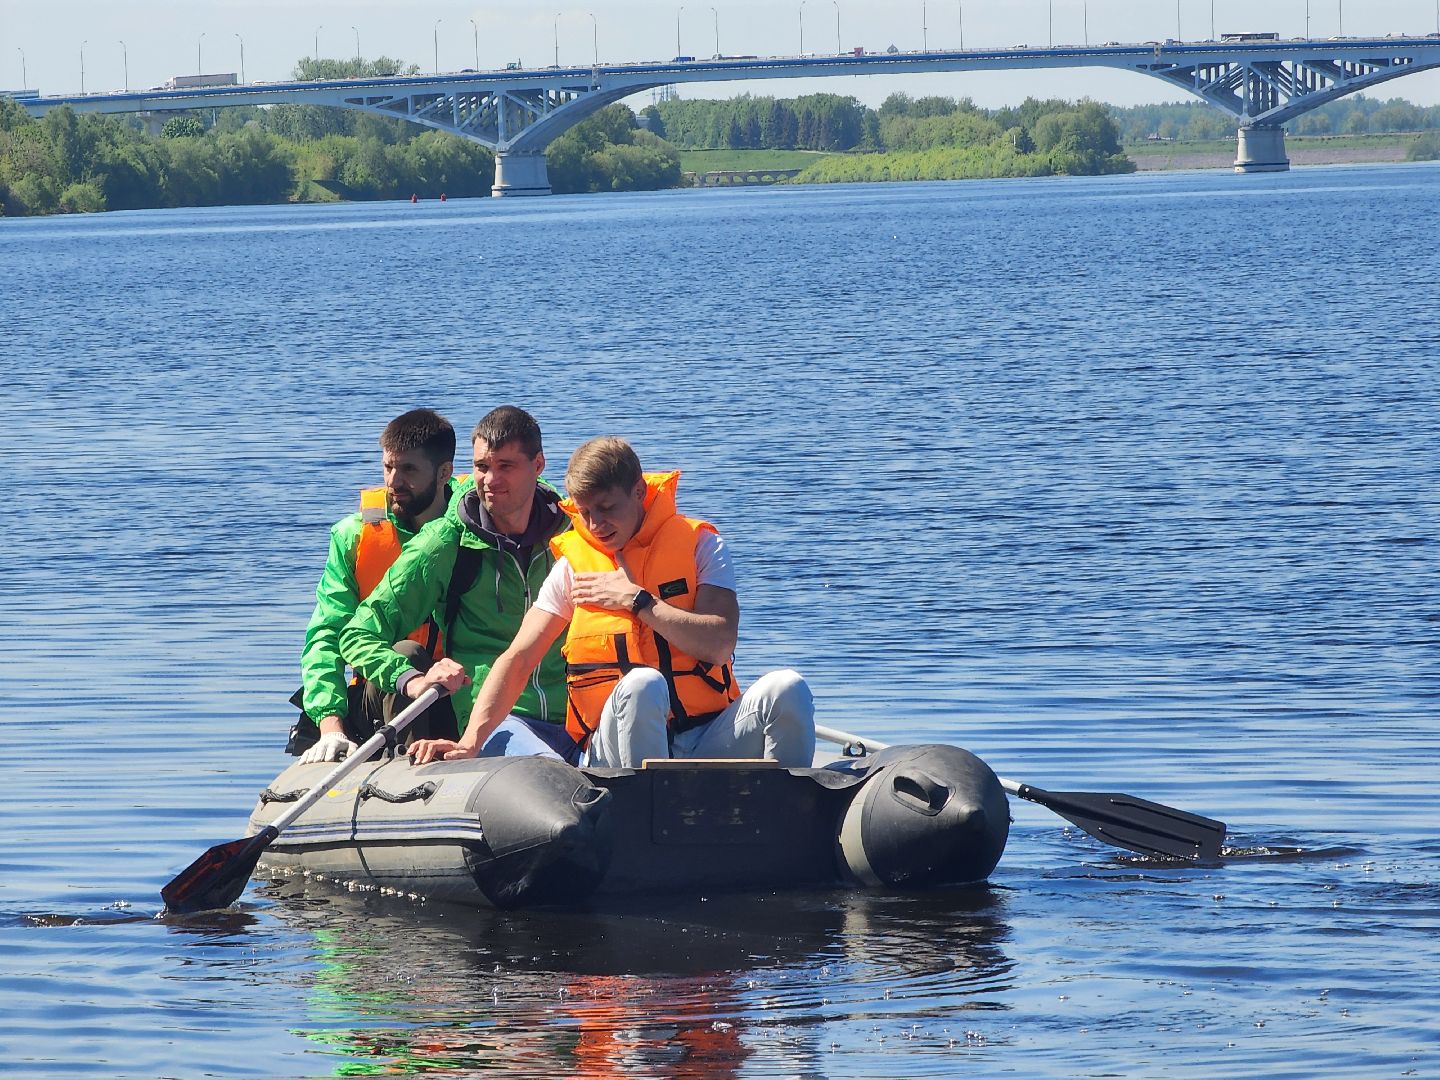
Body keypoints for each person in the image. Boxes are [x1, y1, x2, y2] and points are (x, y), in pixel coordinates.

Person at [409, 436, 815, 769]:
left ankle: (787, 818)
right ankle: (644, 821)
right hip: (613, 751)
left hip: (708, 734)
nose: (595, 525)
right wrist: (470, 741)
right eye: (584, 512)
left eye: (607, 509)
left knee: (788, 687)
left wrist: (639, 601)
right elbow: (518, 660)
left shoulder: (700, 544)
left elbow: (720, 643)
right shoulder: (574, 569)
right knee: (642, 683)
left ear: (639, 492)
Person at [338, 405, 573, 760]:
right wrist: (412, 680)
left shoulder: (577, 534)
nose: (490, 481)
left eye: (505, 467)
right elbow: (358, 634)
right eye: (482, 467)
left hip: (581, 715)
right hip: (496, 722)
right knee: (553, 776)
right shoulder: (447, 543)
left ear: (538, 466)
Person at [291, 408, 458, 764]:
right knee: (407, 651)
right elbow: (326, 634)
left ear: (444, 472)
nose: (394, 481)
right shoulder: (354, 535)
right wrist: (331, 725)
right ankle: (409, 768)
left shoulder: (471, 526)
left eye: (409, 470)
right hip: (383, 693)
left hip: (458, 690)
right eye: (388, 467)